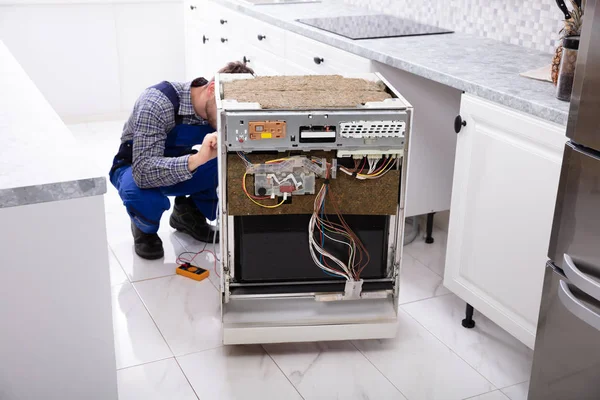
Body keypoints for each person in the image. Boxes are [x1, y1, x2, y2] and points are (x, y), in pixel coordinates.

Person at [109, 61, 255, 260]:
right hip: (135, 167)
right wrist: (197, 159)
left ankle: (188, 213)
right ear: (212, 89)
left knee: (234, 163)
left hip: (178, 165)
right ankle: (145, 228)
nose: (228, 116)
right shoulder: (156, 103)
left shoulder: (214, 108)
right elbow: (143, 172)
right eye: (227, 108)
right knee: (140, 194)